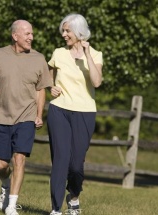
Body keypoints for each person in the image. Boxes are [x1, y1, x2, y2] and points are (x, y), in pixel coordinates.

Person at [0, 20, 52, 215]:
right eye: (27, 34)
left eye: (31, 34)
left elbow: (41, 90)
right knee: (1, 164)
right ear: (15, 36)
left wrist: (39, 115)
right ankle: (5, 184)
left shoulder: (39, 59)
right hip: (3, 116)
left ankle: (12, 206)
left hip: (26, 117)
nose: (31, 37)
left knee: (19, 159)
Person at [47, 14, 103, 215]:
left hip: (85, 112)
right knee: (60, 160)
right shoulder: (58, 53)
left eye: (67, 30)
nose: (63, 34)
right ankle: (55, 209)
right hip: (59, 110)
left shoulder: (96, 55)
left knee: (76, 165)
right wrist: (50, 87)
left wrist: (87, 56)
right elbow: (48, 78)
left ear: (79, 32)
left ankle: (74, 196)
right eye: (63, 30)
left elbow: (96, 82)